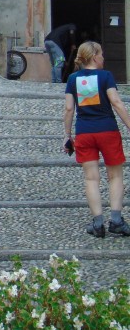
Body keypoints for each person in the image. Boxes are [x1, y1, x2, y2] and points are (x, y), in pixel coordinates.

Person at [64, 41, 130, 238]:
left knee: (91, 178)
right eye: (101, 54)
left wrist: (67, 136)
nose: (103, 57)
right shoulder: (106, 76)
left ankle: (98, 223)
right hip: (107, 131)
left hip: (84, 133)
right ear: (94, 57)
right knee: (115, 176)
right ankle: (116, 221)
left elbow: (68, 109)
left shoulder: (73, 79)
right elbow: (116, 103)